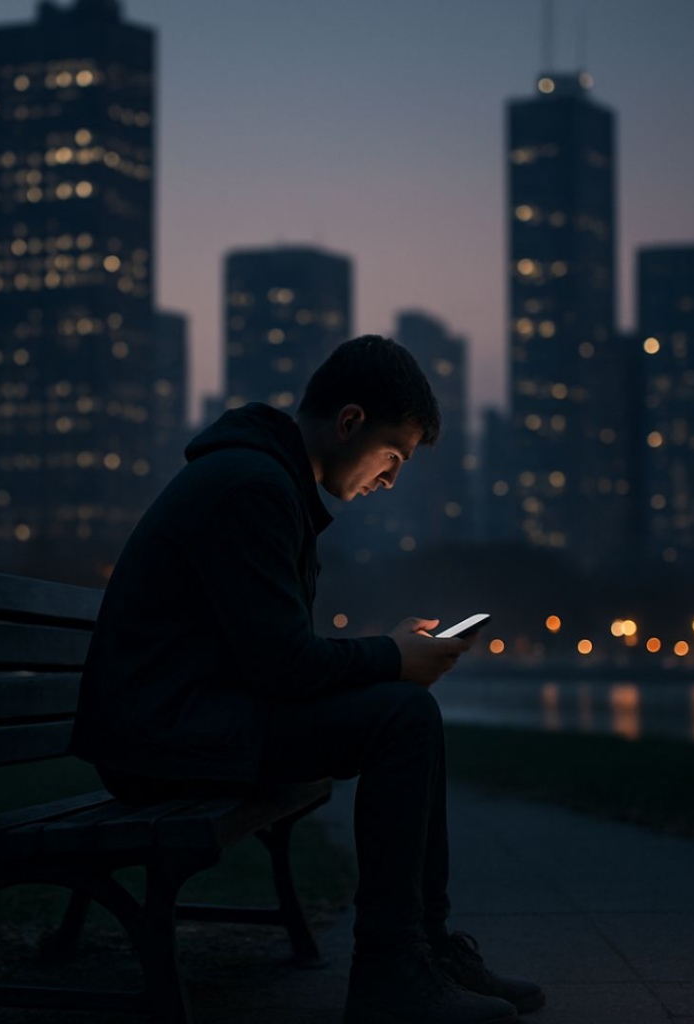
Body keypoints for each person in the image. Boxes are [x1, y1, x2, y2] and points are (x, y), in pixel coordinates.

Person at [72, 335, 544, 1023]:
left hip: (187, 720)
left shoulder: (267, 481)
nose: (390, 480)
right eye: (394, 455)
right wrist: (389, 657)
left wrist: (392, 657)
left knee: (402, 711)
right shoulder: (252, 487)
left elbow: (272, 657)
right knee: (403, 716)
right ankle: (390, 972)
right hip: (161, 742)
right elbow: (283, 665)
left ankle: (427, 948)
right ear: (351, 422)